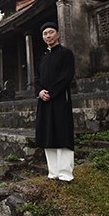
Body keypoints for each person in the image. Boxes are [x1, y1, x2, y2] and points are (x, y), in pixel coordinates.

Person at [34, 21, 75, 182]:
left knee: (62, 133)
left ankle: (65, 173)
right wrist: (40, 91)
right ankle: (53, 172)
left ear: (57, 34)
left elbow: (66, 76)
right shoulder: (42, 57)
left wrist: (52, 92)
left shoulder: (66, 54)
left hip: (59, 100)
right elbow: (36, 78)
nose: (48, 36)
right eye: (45, 33)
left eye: (51, 32)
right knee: (47, 134)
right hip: (44, 101)